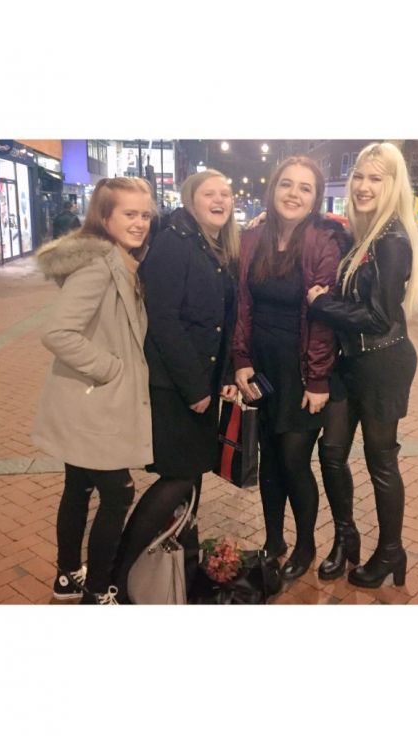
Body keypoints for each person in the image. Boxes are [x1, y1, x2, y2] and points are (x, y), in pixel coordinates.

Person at [307, 142, 418, 588]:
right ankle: (347, 538)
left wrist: (321, 305)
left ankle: (390, 552)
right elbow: (333, 232)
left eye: (375, 178)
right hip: (350, 361)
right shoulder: (367, 235)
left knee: (380, 460)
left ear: (393, 184)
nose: (363, 186)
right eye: (359, 176)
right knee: (331, 452)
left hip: (383, 362)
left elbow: (379, 317)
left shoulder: (393, 240)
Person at [112, 169, 239, 603]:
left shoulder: (213, 245)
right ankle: (117, 576)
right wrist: (195, 387)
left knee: (191, 475)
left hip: (202, 382)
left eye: (225, 194)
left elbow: (219, 322)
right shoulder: (175, 242)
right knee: (178, 478)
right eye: (209, 193)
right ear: (190, 200)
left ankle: (183, 566)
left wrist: (223, 377)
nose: (219, 200)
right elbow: (163, 320)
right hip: (177, 387)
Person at [32, 177, 156, 604]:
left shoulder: (121, 259)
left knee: (78, 485)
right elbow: (57, 332)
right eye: (129, 214)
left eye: (145, 214)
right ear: (105, 217)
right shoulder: (99, 266)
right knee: (118, 492)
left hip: (85, 400)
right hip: (95, 401)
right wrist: (111, 369)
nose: (140, 223)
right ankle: (99, 590)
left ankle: (68, 577)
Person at [232, 156, 343, 581]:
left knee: (295, 461)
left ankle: (305, 543)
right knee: (270, 461)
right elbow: (243, 304)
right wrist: (241, 360)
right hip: (262, 369)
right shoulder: (252, 238)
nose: (293, 194)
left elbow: (322, 321)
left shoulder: (322, 242)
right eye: (286, 184)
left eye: (304, 187)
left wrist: (317, 379)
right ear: (273, 189)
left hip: (300, 370)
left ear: (315, 198)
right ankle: (274, 540)